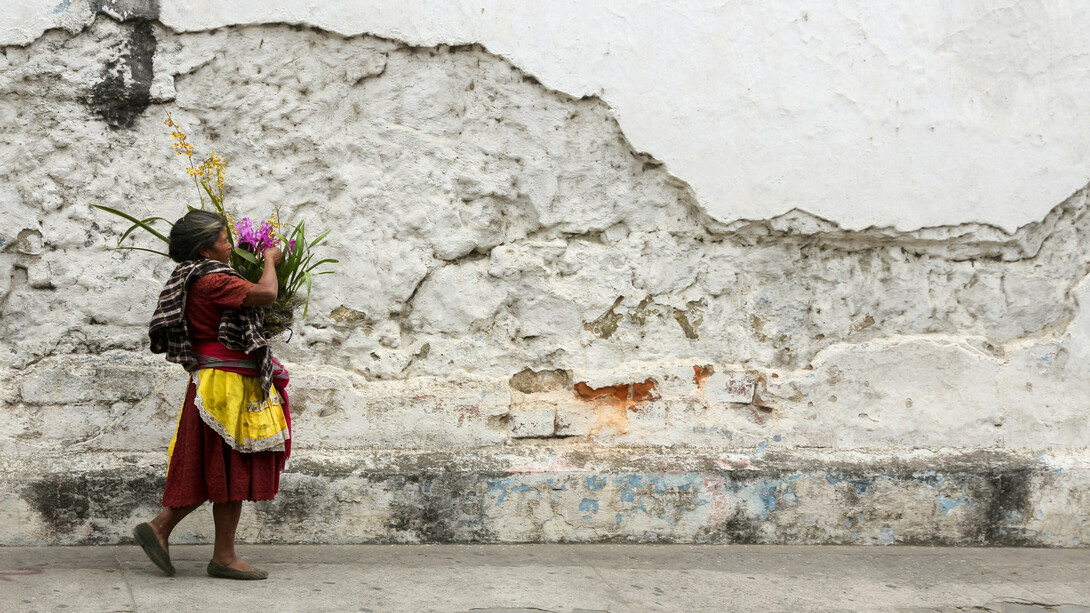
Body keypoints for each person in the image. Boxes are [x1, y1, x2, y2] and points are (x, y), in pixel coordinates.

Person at [133, 209, 291, 580]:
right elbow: (266, 293)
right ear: (205, 249)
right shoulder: (213, 280)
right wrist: (269, 259)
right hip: (225, 386)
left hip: (218, 380)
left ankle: (214, 550)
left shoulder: (193, 276)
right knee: (226, 465)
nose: (230, 245)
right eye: (223, 239)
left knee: (222, 466)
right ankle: (182, 536)